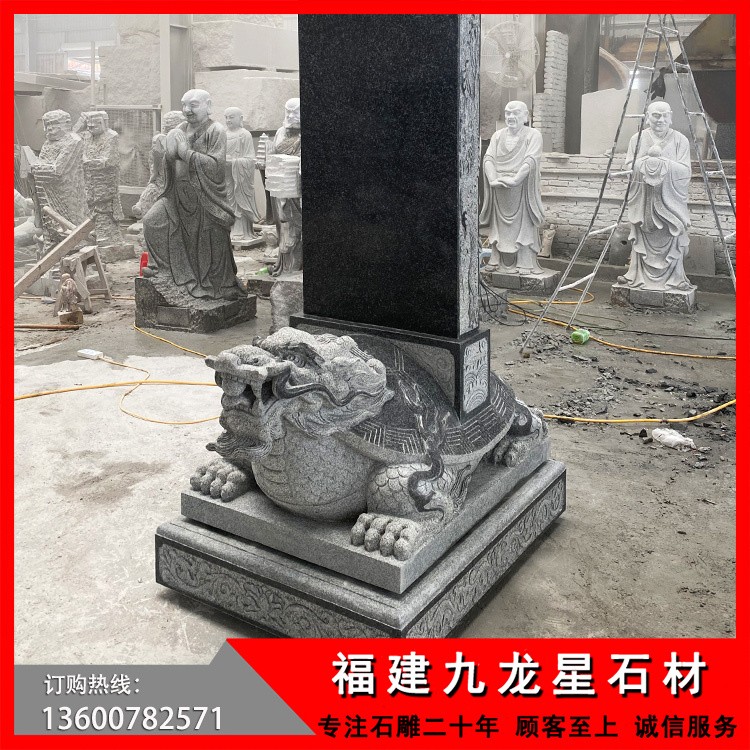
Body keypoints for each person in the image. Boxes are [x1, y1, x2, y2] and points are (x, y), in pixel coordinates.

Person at [142, 89, 244, 300]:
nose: (187, 110)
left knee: (211, 236)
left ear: (208, 106)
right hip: (177, 194)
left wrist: (185, 152)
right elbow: (169, 163)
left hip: (205, 197)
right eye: (184, 105)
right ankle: (166, 271)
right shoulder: (180, 129)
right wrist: (168, 155)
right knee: (152, 221)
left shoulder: (216, 130)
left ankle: (218, 284)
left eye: (194, 105)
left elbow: (216, 167)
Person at [617, 101, 694, 292]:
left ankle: (676, 278)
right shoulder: (637, 139)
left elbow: (685, 172)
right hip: (644, 202)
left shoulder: (680, 140)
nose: (660, 119)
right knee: (642, 240)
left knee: (673, 236)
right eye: (656, 115)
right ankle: (635, 275)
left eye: (664, 115)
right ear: (647, 117)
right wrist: (647, 164)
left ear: (671, 116)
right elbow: (629, 167)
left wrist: (662, 164)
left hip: (670, 203)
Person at [479, 101, 545, 275]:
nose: (511, 117)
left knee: (524, 228)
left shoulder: (533, 135)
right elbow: (488, 159)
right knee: (498, 229)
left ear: (525, 116)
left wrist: (516, 179)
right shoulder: (497, 136)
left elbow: (531, 160)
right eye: (508, 113)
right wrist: (492, 179)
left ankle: (525, 263)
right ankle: (496, 261)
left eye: (515, 113)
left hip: (522, 190)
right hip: (500, 189)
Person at [31, 110, 87, 251]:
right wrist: (40, 168)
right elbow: (41, 167)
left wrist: (38, 168)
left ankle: (72, 251)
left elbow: (58, 171)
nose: (50, 128)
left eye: (54, 124)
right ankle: (51, 251)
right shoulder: (48, 143)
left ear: (66, 124)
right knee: (50, 226)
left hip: (67, 193)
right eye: (47, 124)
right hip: (46, 192)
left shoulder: (73, 141)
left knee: (69, 226)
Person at [76, 111, 125, 247]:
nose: (91, 129)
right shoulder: (87, 136)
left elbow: (108, 160)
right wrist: (79, 123)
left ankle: (108, 235)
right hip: (89, 179)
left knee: (105, 206)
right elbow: (73, 141)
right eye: (89, 126)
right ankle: (96, 231)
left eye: (94, 126)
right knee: (90, 204)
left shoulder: (111, 136)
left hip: (105, 180)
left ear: (103, 123)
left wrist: (88, 162)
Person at [267, 98, 302, 276]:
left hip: (296, 189)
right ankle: (284, 265)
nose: (290, 115)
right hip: (279, 188)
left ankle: (296, 266)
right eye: (288, 111)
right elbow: (273, 153)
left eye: (295, 112)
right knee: (283, 224)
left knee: (296, 227)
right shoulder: (280, 132)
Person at [132, 110, 185, 220]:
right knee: (155, 190)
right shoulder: (162, 139)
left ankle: (143, 208)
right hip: (165, 175)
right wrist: (154, 174)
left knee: (156, 190)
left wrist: (154, 174)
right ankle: (142, 208)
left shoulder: (172, 139)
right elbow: (156, 157)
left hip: (169, 177)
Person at [224, 107, 261, 240]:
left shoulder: (244, 134)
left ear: (240, 119)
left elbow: (250, 160)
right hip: (227, 176)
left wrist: (234, 162)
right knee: (228, 200)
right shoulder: (223, 134)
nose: (228, 120)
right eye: (226, 117)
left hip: (240, 177)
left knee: (239, 200)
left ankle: (241, 229)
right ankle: (229, 228)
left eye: (231, 117)